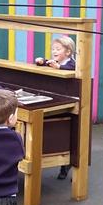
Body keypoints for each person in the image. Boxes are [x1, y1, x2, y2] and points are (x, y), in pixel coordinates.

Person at [35, 36, 76, 179]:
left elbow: (71, 69)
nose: (54, 51)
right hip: (58, 96)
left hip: (70, 98)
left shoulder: (71, 64)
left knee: (70, 134)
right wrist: (41, 62)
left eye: (58, 49)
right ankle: (62, 163)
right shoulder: (56, 62)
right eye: (53, 49)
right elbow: (47, 63)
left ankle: (67, 164)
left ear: (68, 52)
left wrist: (59, 67)